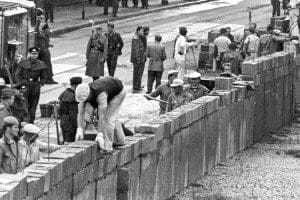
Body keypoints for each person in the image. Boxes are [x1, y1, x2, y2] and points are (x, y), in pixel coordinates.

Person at [75, 77, 126, 152]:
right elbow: (81, 112)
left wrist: (100, 134)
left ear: (89, 94)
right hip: (109, 89)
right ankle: (120, 142)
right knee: (112, 117)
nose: (84, 102)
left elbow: (102, 117)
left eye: (85, 100)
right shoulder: (82, 93)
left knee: (109, 119)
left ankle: (107, 148)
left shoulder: (101, 95)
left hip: (119, 93)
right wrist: (79, 128)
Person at [15, 47, 47, 124]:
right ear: (29, 54)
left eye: (36, 54)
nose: (34, 55)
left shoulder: (41, 64)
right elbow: (17, 75)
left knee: (33, 106)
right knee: (24, 106)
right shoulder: (23, 63)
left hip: (35, 86)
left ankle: (31, 122)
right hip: (25, 85)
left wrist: (40, 84)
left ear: (38, 54)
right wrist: (21, 84)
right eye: (32, 54)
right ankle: (24, 123)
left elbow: (44, 77)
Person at [58, 77, 82, 143]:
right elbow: (73, 114)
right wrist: (77, 126)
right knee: (69, 141)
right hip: (70, 122)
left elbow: (60, 110)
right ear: (75, 85)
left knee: (65, 138)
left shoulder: (65, 93)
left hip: (63, 119)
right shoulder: (72, 97)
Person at [131, 26, 147, 93]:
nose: (143, 32)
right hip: (138, 59)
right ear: (138, 31)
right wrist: (138, 60)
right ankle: (136, 86)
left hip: (141, 58)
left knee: (139, 73)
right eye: (141, 31)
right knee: (137, 73)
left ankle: (138, 85)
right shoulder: (136, 38)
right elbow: (136, 50)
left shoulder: (139, 37)